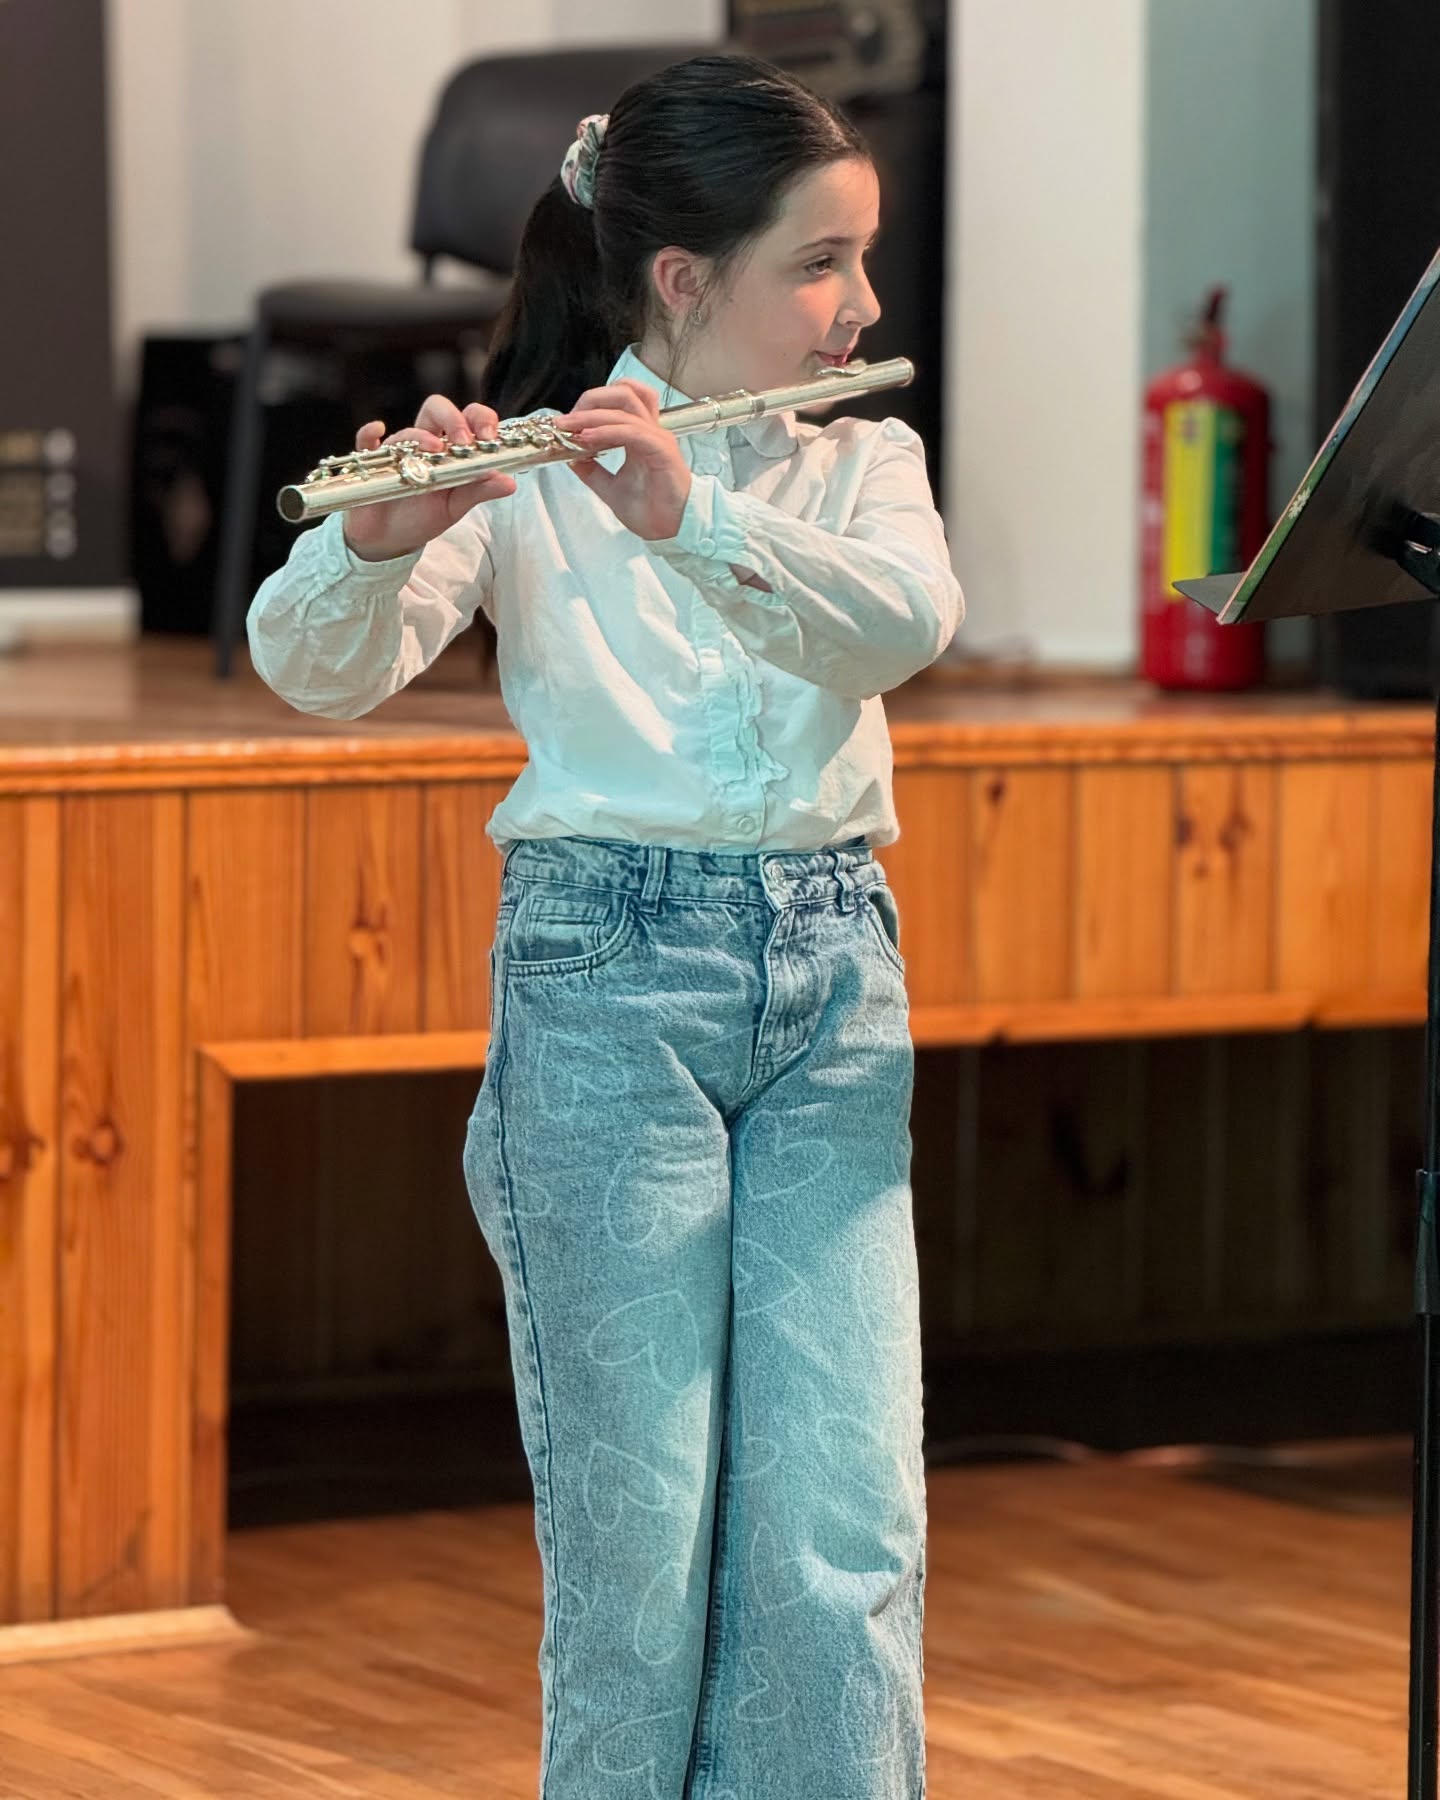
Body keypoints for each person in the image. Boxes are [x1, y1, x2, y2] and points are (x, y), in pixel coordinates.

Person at [247, 49, 962, 1800]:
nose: (862, 305)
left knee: (845, 1539)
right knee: (636, 1555)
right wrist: (379, 538)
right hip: (604, 987)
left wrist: (694, 518)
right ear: (683, 279)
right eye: (822, 262)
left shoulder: (864, 461)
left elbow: (900, 626)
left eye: (863, 260)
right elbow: (311, 670)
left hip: (831, 980)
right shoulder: (535, 471)